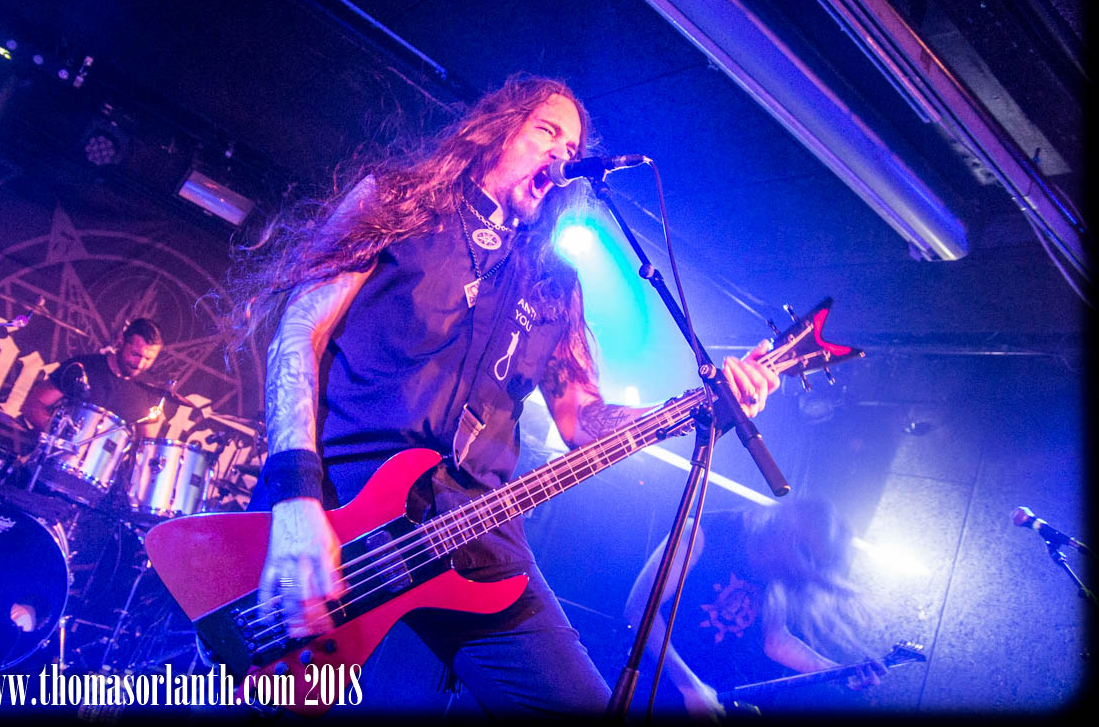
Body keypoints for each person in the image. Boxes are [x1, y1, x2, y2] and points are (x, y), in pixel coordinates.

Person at [225, 75, 780, 715]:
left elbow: (582, 419)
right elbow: (300, 332)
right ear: (496, 130)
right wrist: (296, 498)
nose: (562, 154)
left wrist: (690, 410)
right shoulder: (397, 200)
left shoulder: (553, 283)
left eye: (572, 148)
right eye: (547, 131)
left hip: (474, 526)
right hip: (342, 499)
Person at [624, 498, 884, 718]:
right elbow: (640, 608)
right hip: (650, 683)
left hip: (710, 694)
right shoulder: (701, 532)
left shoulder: (776, 566)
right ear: (779, 535)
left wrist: (836, 672)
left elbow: (775, 641)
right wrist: (688, 684)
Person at [22, 316, 166, 432]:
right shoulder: (83, 367)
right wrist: (60, 435)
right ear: (121, 341)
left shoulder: (148, 389)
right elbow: (34, 405)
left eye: (148, 359)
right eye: (135, 354)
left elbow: (145, 444)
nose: (139, 364)